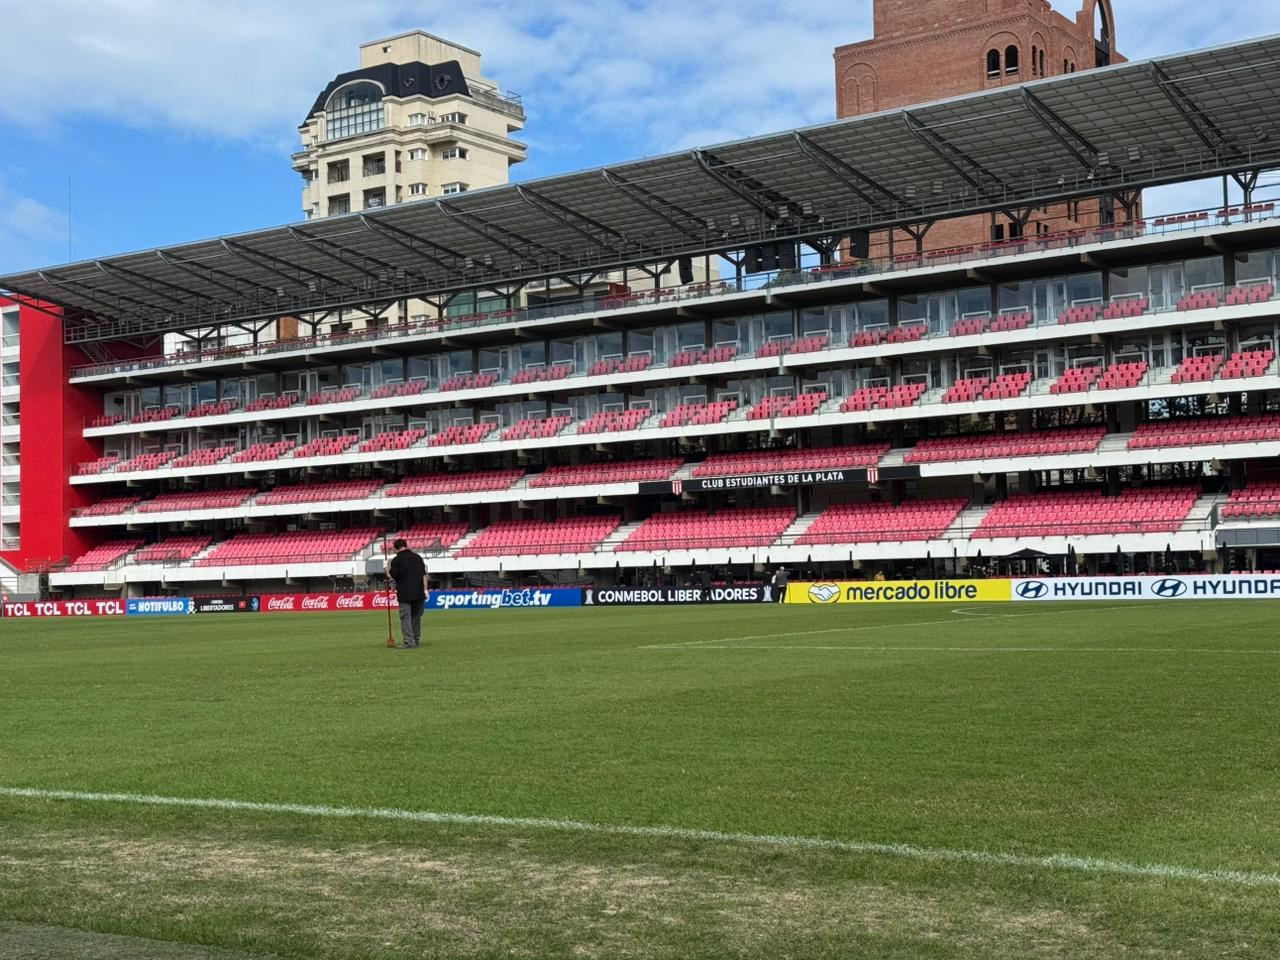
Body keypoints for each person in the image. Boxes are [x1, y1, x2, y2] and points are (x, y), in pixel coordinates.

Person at [387, 538, 428, 648]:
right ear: (406, 545)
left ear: (395, 548)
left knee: (406, 618)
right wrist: (425, 590)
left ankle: (409, 642)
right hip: (419, 593)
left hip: (405, 594)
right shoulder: (417, 558)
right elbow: (424, 575)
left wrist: (387, 573)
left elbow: (394, 576)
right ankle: (416, 640)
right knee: (416, 618)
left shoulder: (396, 560)